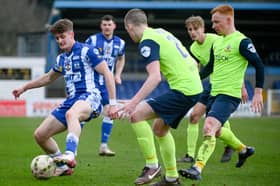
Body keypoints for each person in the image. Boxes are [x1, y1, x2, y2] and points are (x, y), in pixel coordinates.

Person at [12, 18, 118, 176]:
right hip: (71, 100)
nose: (60, 40)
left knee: (71, 114)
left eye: (62, 36)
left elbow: (108, 73)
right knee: (40, 135)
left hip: (91, 97)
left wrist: (112, 103)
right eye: (57, 38)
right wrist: (24, 87)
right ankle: (62, 167)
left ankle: (70, 154)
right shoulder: (61, 59)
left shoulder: (87, 51)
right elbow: (48, 78)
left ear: (71, 34)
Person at [115, 8, 203, 186]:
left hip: (184, 90)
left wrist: (133, 103)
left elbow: (155, 77)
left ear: (129, 27)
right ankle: (172, 178)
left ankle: (152, 166)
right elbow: (192, 61)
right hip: (192, 87)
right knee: (160, 129)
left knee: (136, 115)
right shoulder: (160, 32)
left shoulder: (147, 41)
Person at [179, 4, 264, 180]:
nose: (213, 26)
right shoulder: (218, 42)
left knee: (209, 127)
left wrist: (257, 92)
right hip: (213, 93)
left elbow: (259, 64)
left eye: (216, 22)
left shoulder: (242, 41)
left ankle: (197, 167)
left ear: (228, 20)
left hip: (229, 95)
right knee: (217, 131)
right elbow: (209, 67)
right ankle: (243, 149)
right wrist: (191, 79)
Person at [177, 15, 243, 164]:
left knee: (217, 118)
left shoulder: (216, 40)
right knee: (194, 116)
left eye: (195, 29)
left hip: (225, 85)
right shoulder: (193, 48)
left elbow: (236, 61)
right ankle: (189, 155)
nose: (192, 32)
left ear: (203, 29)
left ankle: (230, 145)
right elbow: (200, 67)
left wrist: (242, 86)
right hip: (211, 85)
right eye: (189, 29)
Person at [85, 14, 126, 156]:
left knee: (110, 112)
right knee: (85, 113)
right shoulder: (93, 40)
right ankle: (72, 146)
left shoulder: (120, 43)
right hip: (93, 82)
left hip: (107, 83)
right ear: (101, 26)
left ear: (114, 26)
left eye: (109, 24)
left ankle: (103, 146)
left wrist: (118, 74)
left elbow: (121, 58)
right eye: (104, 25)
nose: (107, 27)